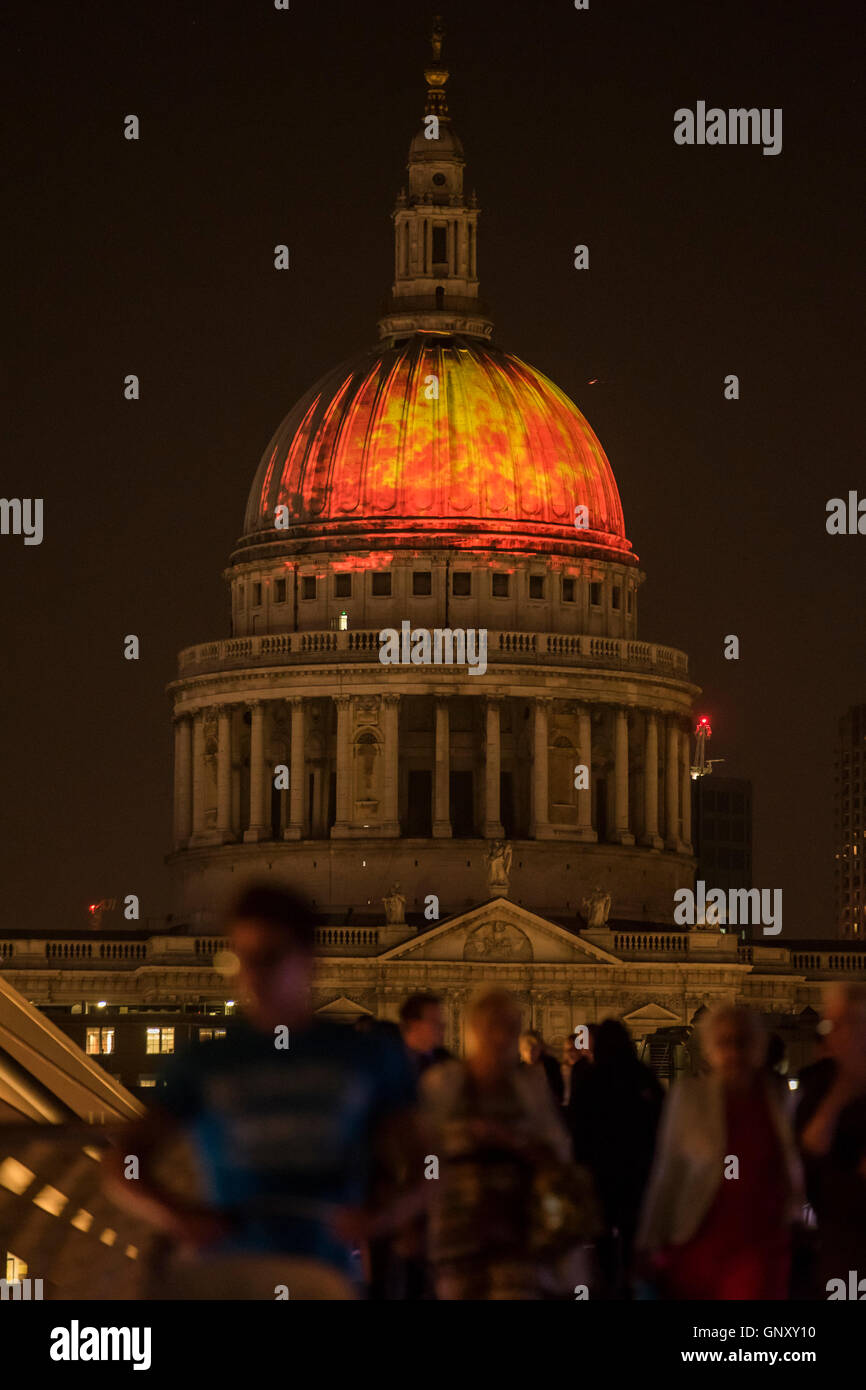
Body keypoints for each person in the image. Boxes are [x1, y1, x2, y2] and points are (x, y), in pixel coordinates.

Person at [104, 884, 421, 1298]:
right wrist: (181, 1217)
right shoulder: (202, 1062)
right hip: (230, 1273)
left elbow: (428, 1161)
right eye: (239, 959)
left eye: (269, 958)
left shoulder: (368, 1057)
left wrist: (383, 1217)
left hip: (320, 1277)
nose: (252, 974)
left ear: (308, 960)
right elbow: (124, 1162)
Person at [636, 1004, 803, 1300]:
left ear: (757, 1046)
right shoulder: (690, 1097)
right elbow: (668, 1172)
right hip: (702, 1238)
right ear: (711, 1049)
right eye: (724, 1041)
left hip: (760, 1243)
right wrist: (649, 1239)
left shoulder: (778, 1098)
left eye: (742, 1041)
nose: (733, 1051)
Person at [420, 988, 576, 1299]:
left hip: (517, 1230)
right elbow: (421, 1155)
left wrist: (509, 1140)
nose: (502, 1036)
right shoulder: (443, 1083)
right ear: (475, 1028)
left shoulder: (530, 1087)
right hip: (455, 1231)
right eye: (494, 1026)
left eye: (510, 1027)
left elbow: (559, 1155)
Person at [568, 1019, 662, 1294]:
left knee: (602, 1239)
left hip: (601, 1174)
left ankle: (608, 1286)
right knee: (634, 1235)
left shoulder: (591, 1077)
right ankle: (632, 1285)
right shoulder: (642, 1075)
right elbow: (660, 1121)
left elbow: (579, 1127)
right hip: (637, 1172)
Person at [795, 983, 866, 1291]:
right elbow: (802, 1161)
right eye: (830, 1025)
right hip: (838, 1245)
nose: (833, 1034)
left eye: (844, 1024)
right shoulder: (818, 1084)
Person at [399, 993, 450, 1078]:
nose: (442, 1027)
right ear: (414, 1025)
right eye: (434, 1021)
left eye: (441, 1021)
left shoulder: (447, 1062)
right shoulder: (390, 1063)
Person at [519, 1029, 565, 1104]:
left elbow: (559, 1091)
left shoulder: (551, 1065)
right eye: (526, 1049)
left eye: (534, 1049)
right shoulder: (519, 1069)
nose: (530, 1053)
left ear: (540, 1048)